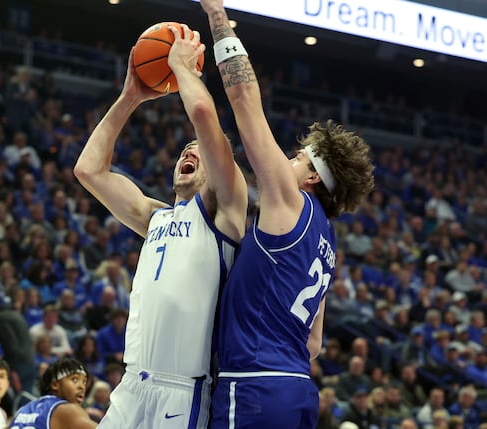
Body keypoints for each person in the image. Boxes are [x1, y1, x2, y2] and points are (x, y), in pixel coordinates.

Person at [199, 1, 375, 428]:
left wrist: (216, 14)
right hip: (297, 388)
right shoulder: (327, 244)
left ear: (314, 176)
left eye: (298, 158)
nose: (289, 162)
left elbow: (242, 97)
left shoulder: (290, 202)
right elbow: (312, 344)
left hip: (256, 383)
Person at [73, 22, 247, 429]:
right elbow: (88, 170)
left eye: (199, 149)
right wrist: (130, 96)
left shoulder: (225, 210)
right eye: (184, 150)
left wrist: (182, 68)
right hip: (131, 384)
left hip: (182, 391)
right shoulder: (154, 217)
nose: (191, 152)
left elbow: (205, 118)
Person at [7, 358, 97, 429]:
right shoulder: (68, 410)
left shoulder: (22, 411)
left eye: (84, 382)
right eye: (74, 380)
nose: (82, 386)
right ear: (55, 385)